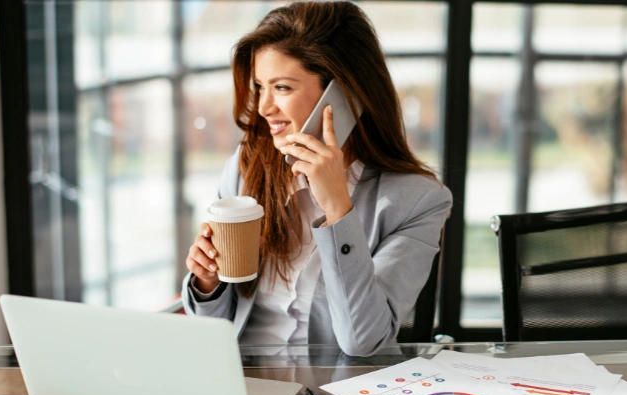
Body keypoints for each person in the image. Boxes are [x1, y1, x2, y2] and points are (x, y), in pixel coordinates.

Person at [180, 1, 452, 357]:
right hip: (245, 384)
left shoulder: (417, 201)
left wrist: (338, 209)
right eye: (260, 86)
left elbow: (362, 340)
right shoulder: (246, 169)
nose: (263, 107)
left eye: (282, 88)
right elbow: (213, 330)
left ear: (343, 95)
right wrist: (208, 283)